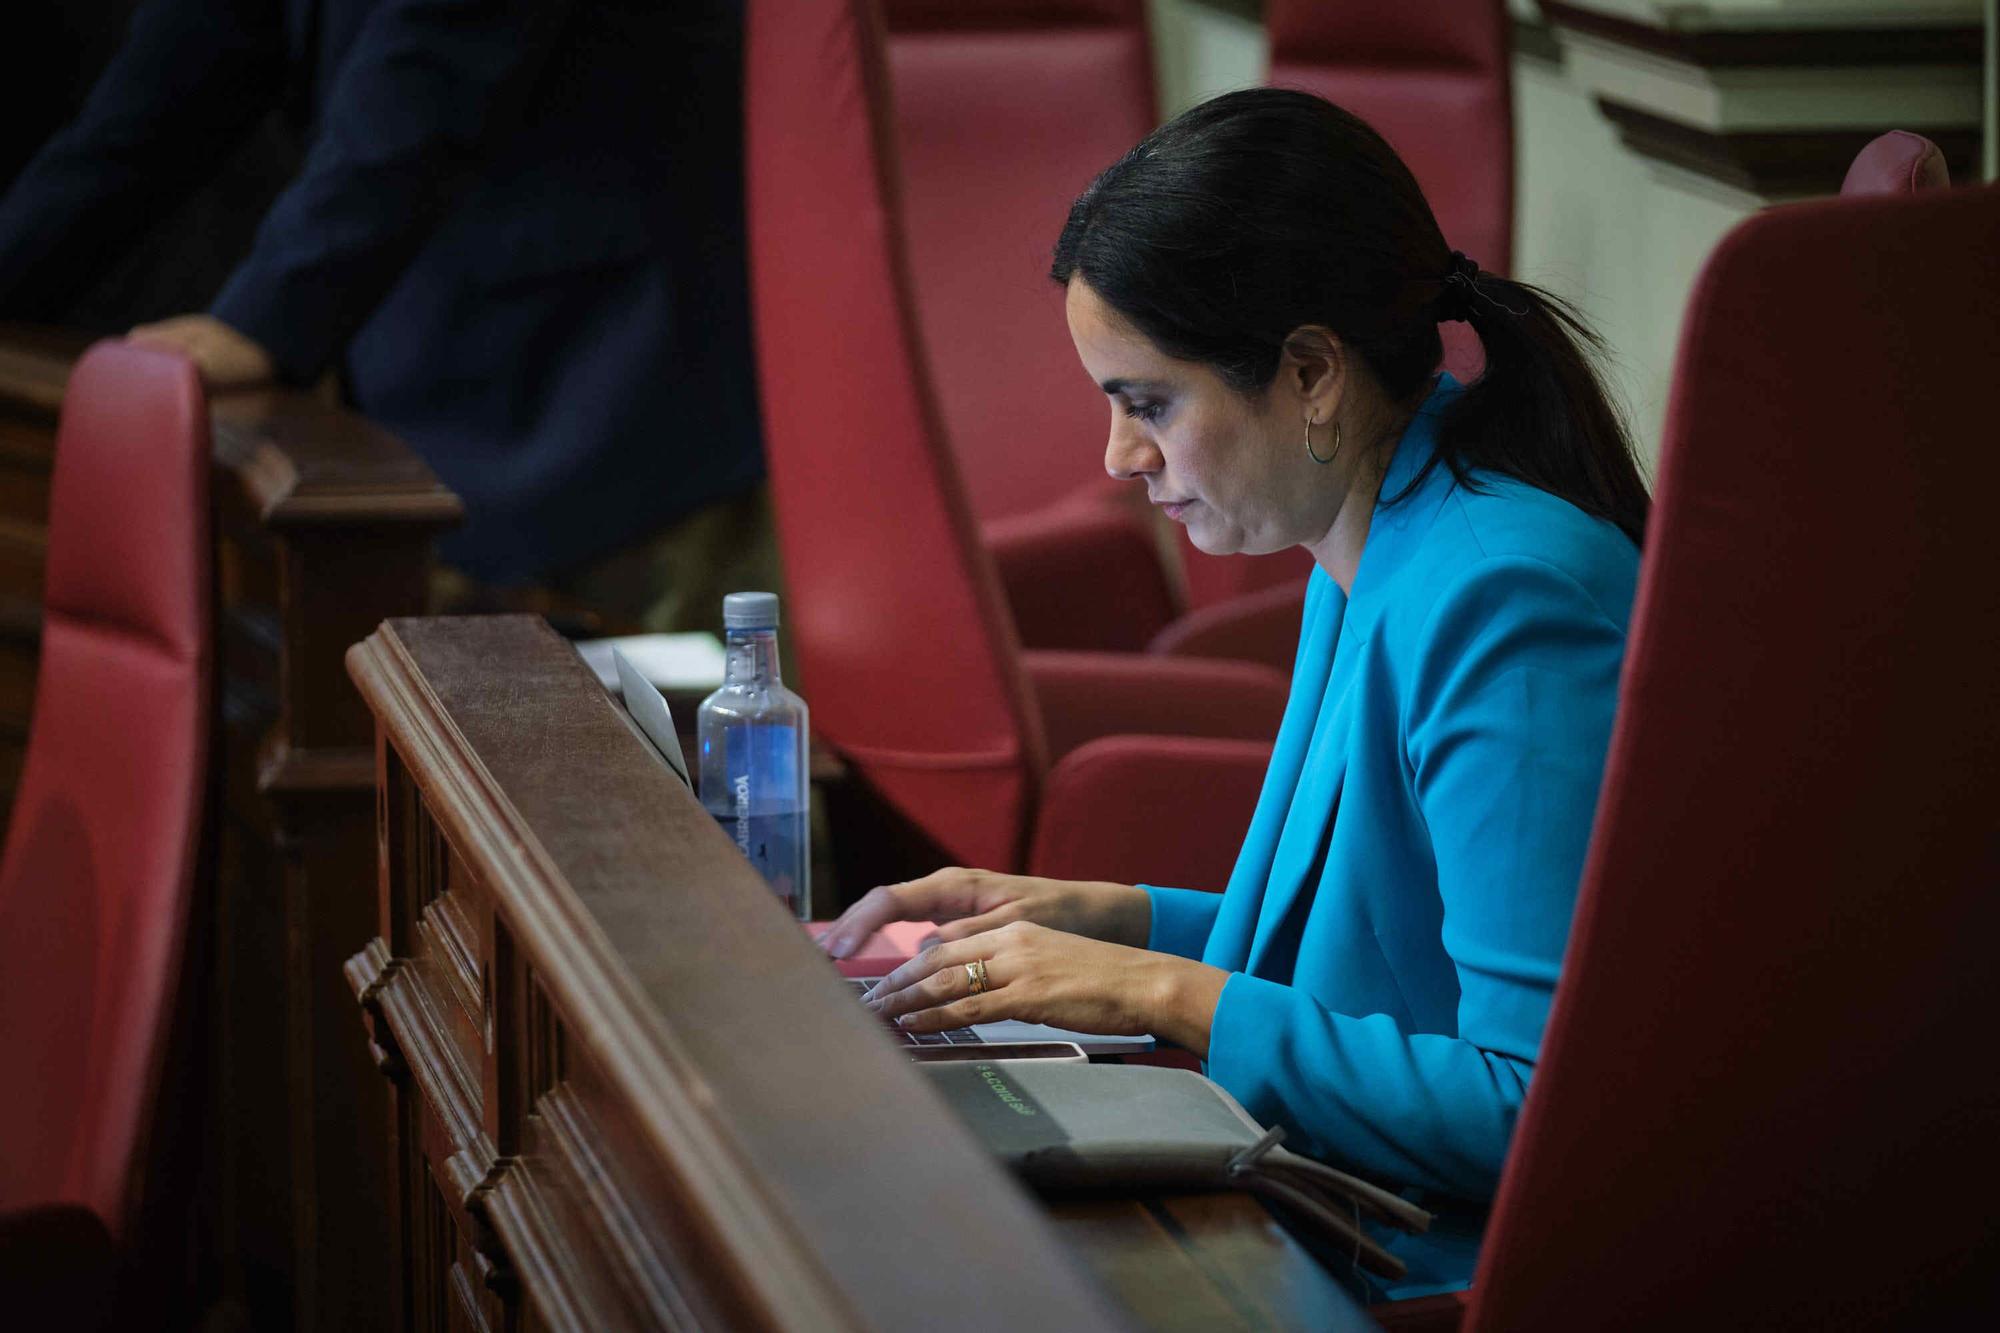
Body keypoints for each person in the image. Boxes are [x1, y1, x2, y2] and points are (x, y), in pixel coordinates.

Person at [819, 89, 1649, 1298]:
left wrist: (1159, 990)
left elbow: (1534, 1105)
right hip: (1331, 1204)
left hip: (1419, 1267)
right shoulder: (1369, 523)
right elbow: (1376, 965)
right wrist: (1109, 920)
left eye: (1146, 403)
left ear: (1310, 372)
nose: (1118, 458)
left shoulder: (1502, 594)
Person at [0, 0, 773, 632]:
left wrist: (262, 322)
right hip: (431, 400)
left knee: (662, 791)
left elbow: (432, 68)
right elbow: (162, 90)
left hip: (607, 404)